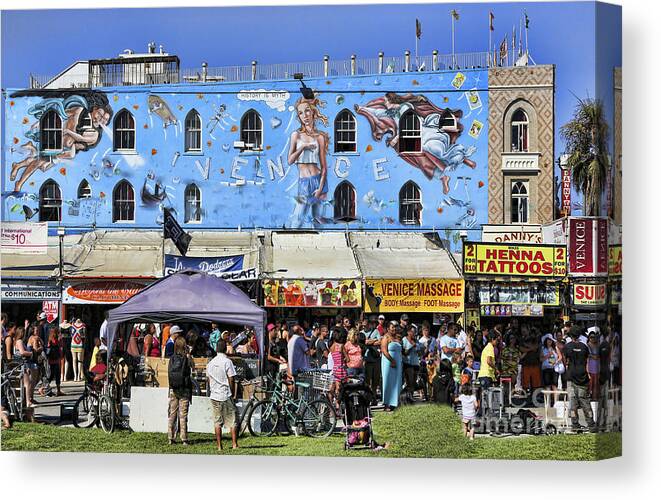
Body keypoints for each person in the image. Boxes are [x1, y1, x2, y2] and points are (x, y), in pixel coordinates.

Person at [287, 95, 329, 228]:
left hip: (318, 181)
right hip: (304, 182)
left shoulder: (320, 137)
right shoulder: (296, 135)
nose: (304, 115)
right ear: (298, 117)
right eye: (300, 113)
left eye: (307, 111)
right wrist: (303, 147)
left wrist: (320, 188)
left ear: (313, 112)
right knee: (297, 219)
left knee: (318, 220)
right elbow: (290, 160)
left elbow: (324, 167)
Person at [207, 339, 239, 450]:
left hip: (214, 395)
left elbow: (209, 379)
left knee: (217, 421)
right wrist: (232, 392)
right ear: (225, 348)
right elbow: (231, 378)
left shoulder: (210, 363)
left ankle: (219, 446)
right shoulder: (227, 361)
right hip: (225, 394)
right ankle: (234, 444)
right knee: (232, 420)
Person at [564, 326, 596, 432]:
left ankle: (575, 424)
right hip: (583, 377)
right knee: (585, 402)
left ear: (571, 335)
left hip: (571, 377)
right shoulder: (584, 347)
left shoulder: (567, 347)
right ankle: (591, 424)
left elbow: (566, 361)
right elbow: (587, 361)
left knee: (573, 403)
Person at [167, 336, 193, 445]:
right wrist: (189, 354)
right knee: (183, 416)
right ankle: (184, 439)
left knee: (172, 414)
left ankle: (170, 437)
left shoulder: (172, 358)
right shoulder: (187, 358)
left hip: (173, 388)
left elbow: (169, 373)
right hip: (184, 390)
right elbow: (193, 367)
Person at [380, 321, 402, 411]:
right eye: (392, 327)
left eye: (395, 327)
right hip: (388, 362)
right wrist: (392, 360)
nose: (394, 329)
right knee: (387, 381)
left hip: (398, 362)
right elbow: (384, 350)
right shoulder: (386, 337)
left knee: (396, 382)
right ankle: (387, 403)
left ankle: (395, 402)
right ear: (388, 328)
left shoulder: (397, 338)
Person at [596, 331, 612, 432]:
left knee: (601, 401)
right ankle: (604, 423)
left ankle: (599, 423)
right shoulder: (607, 345)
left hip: (600, 375)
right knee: (604, 402)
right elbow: (608, 359)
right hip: (605, 375)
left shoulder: (600, 346)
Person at [402, 325, 421, 399]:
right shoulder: (404, 339)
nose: (414, 333)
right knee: (409, 381)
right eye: (413, 332)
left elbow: (419, 353)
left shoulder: (416, 340)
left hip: (416, 363)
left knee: (413, 382)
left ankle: (411, 396)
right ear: (408, 332)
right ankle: (408, 396)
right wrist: (412, 346)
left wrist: (419, 350)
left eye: (415, 332)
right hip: (408, 363)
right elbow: (404, 352)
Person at [46, 327, 64, 396]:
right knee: (54, 375)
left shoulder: (50, 338)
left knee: (54, 375)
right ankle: (43, 388)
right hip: (55, 359)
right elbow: (58, 345)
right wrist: (60, 340)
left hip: (52, 360)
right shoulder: (55, 339)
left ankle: (58, 390)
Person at [587, 332, 600, 401]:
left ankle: (595, 397)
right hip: (590, 366)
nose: (593, 338)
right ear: (589, 337)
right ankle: (589, 396)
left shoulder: (597, 345)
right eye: (591, 337)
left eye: (594, 337)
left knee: (596, 383)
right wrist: (593, 356)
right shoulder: (587, 345)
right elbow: (587, 355)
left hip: (597, 366)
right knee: (590, 383)